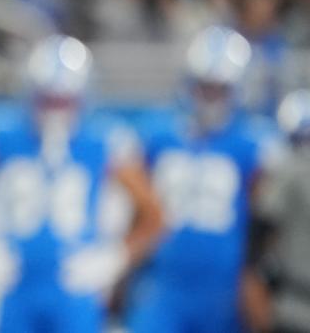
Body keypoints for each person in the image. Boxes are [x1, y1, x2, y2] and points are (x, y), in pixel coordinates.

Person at [0, 35, 162, 333]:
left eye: (65, 101)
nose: (55, 110)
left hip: (75, 285)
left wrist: (114, 258)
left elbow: (155, 214)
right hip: (16, 282)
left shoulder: (104, 141)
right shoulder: (2, 135)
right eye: (47, 99)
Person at [128, 26, 277, 333]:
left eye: (219, 89)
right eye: (204, 87)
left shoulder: (253, 145)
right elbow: (139, 212)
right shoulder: (160, 136)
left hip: (223, 286)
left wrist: (254, 278)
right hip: (162, 283)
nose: (210, 97)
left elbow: (263, 224)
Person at [244, 89, 310, 333]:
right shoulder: (288, 171)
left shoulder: (286, 170)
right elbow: (261, 230)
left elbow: (261, 228)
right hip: (295, 301)